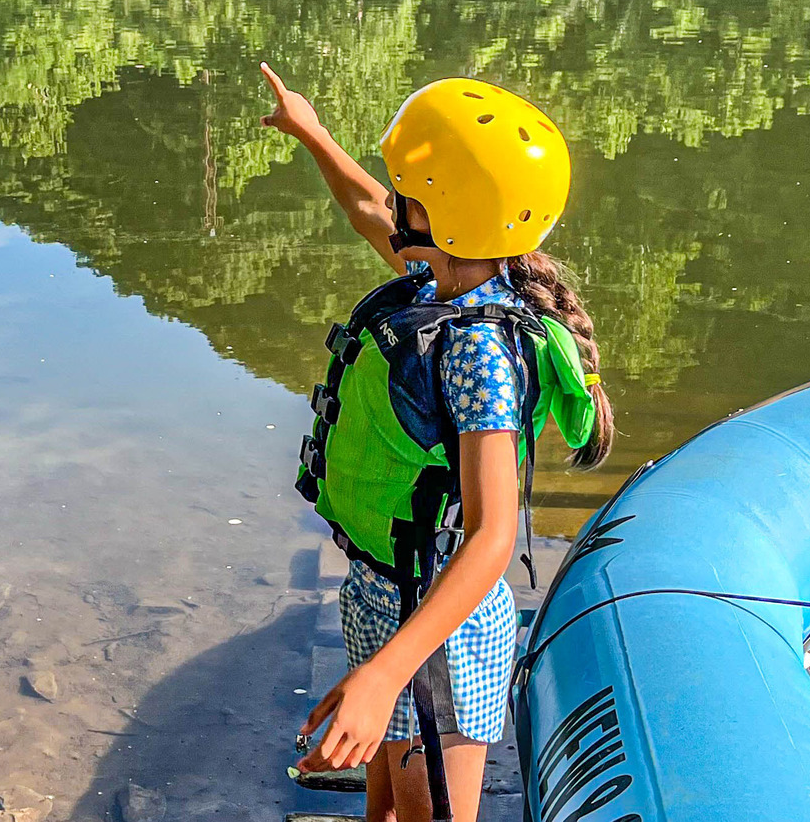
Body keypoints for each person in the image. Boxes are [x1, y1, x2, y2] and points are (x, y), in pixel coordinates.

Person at [259, 63, 614, 822]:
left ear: (447, 211)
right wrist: (310, 130)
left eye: (409, 190)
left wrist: (388, 673)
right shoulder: (443, 281)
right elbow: (366, 208)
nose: (395, 200)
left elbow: (488, 537)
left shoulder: (477, 350)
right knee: (386, 806)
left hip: (438, 630)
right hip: (383, 592)